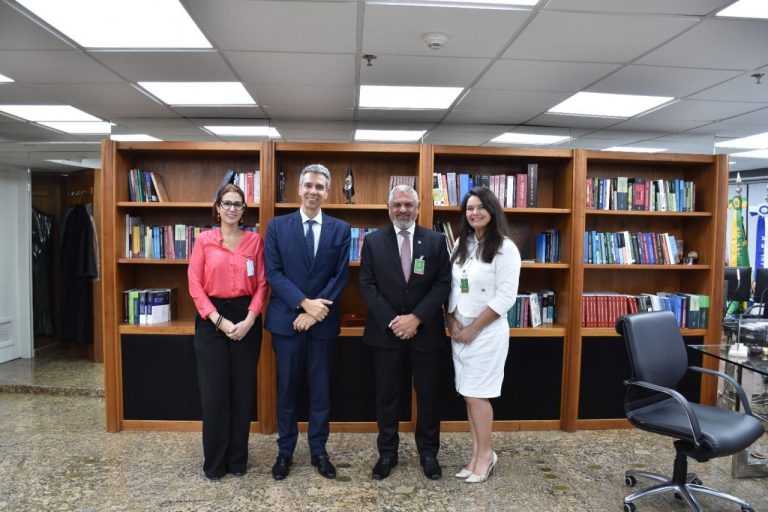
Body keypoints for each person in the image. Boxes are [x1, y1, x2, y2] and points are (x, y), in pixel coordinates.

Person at [264, 164, 351, 481]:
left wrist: (314, 313)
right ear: (299, 189)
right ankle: (285, 452)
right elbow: (273, 273)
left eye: (320, 186)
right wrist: (303, 304)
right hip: (286, 322)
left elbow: (340, 276)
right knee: (286, 391)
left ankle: (318, 451)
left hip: (323, 325)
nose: (314, 191)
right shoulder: (277, 226)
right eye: (309, 185)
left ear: (327, 192)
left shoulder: (340, 229)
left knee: (320, 391)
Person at [359, 184, 451, 481]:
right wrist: (394, 321)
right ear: (389, 208)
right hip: (386, 335)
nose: (402, 209)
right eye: (397, 204)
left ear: (417, 207)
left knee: (428, 397)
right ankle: (387, 453)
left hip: (426, 334)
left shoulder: (435, 241)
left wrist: (416, 318)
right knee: (387, 398)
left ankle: (428, 453)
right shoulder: (373, 242)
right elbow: (367, 285)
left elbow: (442, 284)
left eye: (408, 205)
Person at [187, 183, 268, 481]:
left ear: (243, 209)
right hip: (212, 321)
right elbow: (195, 285)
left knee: (242, 393)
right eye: (227, 203)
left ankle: (237, 460)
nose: (232, 208)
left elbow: (262, 284)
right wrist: (218, 321)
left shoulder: (254, 242)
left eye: (238, 204)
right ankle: (215, 463)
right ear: (218, 208)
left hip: (246, 317)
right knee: (214, 394)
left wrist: (249, 320)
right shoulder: (204, 241)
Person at [446, 186, 521, 484]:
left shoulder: (505, 248)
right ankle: (475, 455)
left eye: (480, 207)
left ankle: (486, 455)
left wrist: (473, 329)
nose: (474, 213)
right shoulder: (461, 245)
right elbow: (450, 287)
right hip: (459, 330)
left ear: (492, 210)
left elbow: (505, 298)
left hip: (486, 333)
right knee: (468, 395)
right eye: (469, 208)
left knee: (478, 396)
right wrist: (450, 320)